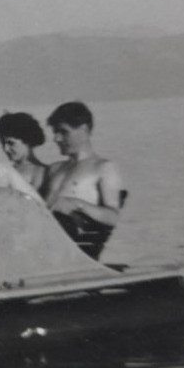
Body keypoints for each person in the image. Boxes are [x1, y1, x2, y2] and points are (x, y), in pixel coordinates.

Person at [42, 101, 125, 259]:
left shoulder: (103, 167)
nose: (56, 138)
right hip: (43, 238)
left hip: (71, 246)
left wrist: (78, 204)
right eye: (55, 132)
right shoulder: (54, 169)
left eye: (63, 132)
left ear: (84, 130)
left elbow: (114, 217)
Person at [0, 112, 50, 201]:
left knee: (0, 168)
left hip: (32, 210)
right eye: (2, 144)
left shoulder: (41, 171)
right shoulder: (9, 170)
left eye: (11, 143)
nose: (6, 149)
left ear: (27, 140)